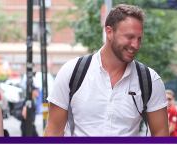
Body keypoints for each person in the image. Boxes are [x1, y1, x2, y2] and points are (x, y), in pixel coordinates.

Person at [44, 4, 168, 137]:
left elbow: (161, 134)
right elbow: (54, 131)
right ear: (109, 32)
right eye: (129, 37)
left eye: (139, 38)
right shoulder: (72, 72)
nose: (136, 45)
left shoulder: (150, 80)